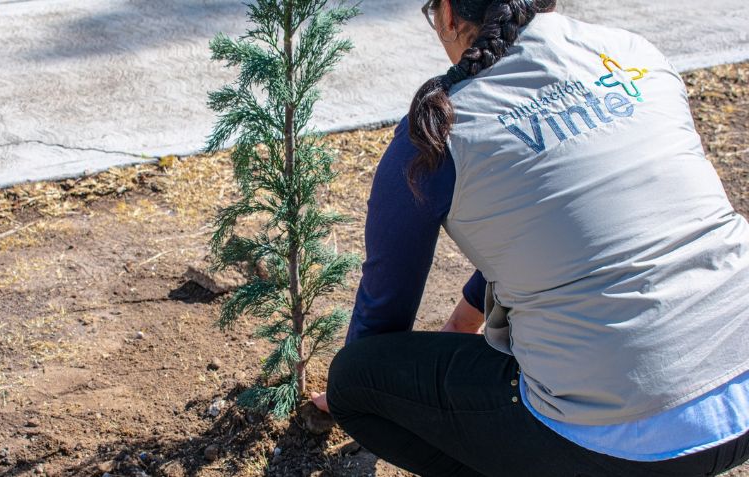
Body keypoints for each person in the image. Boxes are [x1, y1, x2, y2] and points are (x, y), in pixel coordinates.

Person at [308, 0, 749, 475]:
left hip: (623, 445)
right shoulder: (631, 52)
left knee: (355, 380)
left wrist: (354, 387)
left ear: (450, 14)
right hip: (742, 390)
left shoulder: (438, 128)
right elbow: (567, 223)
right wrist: (461, 323)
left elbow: (382, 313)